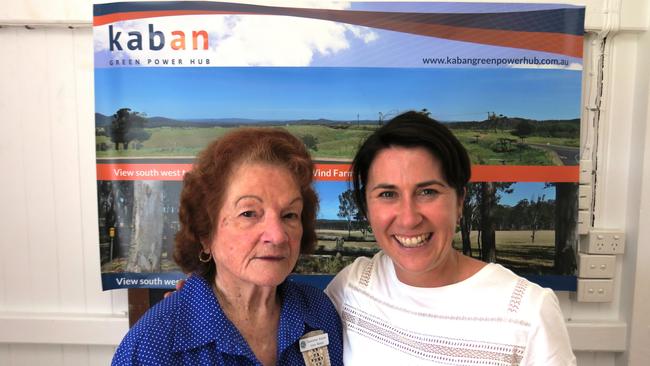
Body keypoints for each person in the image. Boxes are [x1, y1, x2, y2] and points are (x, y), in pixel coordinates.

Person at [324, 111, 576, 365]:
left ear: (459, 202)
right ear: (366, 208)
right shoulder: (352, 287)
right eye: (388, 194)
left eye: (427, 191)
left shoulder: (528, 313)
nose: (409, 219)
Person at [112, 128, 343, 365]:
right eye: (249, 213)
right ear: (205, 234)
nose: (278, 236)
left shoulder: (319, 312)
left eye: (289, 215)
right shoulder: (153, 345)